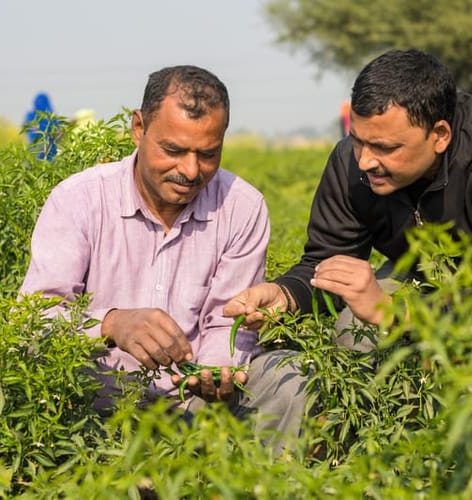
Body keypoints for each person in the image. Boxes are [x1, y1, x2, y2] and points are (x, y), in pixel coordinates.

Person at [223, 48, 472, 348]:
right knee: (355, 332)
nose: (366, 161)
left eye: (385, 148)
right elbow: (327, 262)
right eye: (359, 141)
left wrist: (392, 311)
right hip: (426, 270)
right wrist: (286, 295)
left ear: (440, 135)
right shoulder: (348, 163)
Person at [19, 65, 307, 450]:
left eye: (208, 154)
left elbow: (228, 324)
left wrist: (215, 375)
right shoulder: (80, 200)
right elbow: (33, 317)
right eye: (173, 150)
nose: (190, 170)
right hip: (93, 411)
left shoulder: (242, 207)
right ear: (139, 129)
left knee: (286, 376)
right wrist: (110, 324)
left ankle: (252, 486)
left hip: (198, 411)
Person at [23, 91, 58, 161]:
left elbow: (26, 130)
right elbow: (57, 131)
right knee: (48, 166)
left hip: (34, 147)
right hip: (50, 147)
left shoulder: (31, 115)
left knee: (33, 165)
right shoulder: (51, 116)